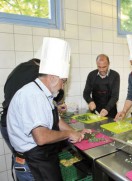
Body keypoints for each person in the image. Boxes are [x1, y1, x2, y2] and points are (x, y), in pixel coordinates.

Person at [7, 37, 90, 181]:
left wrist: (74, 131)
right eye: (63, 81)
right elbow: (41, 137)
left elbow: (56, 120)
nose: (63, 86)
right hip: (32, 164)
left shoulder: (44, 93)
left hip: (41, 159)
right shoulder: (33, 95)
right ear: (52, 77)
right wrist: (68, 134)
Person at [83, 54, 120, 118]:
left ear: (109, 64)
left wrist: (107, 109)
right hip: (95, 111)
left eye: (104, 67)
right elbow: (86, 93)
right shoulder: (91, 75)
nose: (101, 70)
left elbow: (115, 96)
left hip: (110, 111)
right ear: (96, 64)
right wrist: (90, 101)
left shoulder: (115, 75)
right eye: (99, 67)